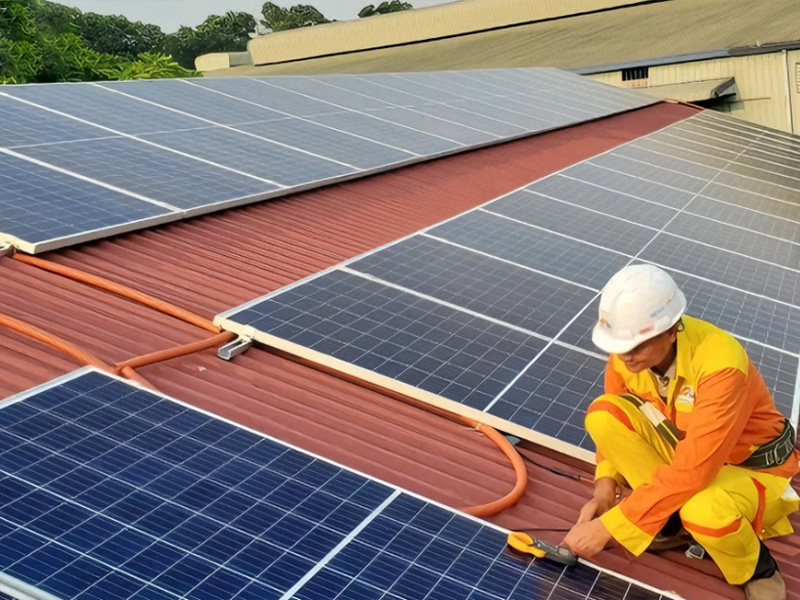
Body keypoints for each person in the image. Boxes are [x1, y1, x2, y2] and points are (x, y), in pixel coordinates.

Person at [562, 264, 799, 600]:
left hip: (753, 469)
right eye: (618, 345)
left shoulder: (721, 363)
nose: (625, 356)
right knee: (603, 415)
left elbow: (695, 469)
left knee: (702, 509)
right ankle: (667, 523)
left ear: (671, 330)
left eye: (636, 345)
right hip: (692, 455)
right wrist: (605, 488)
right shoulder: (625, 357)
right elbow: (618, 427)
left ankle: (757, 568)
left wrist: (610, 527)